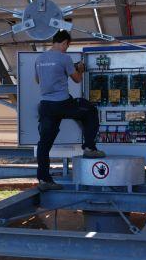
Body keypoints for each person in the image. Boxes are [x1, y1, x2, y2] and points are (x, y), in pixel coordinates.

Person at [35, 30, 105, 191]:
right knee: (90, 111)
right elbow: (77, 79)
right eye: (67, 45)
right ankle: (89, 147)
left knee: (44, 145)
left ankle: (44, 180)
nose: (66, 48)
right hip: (63, 103)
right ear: (65, 42)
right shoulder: (64, 58)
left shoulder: (39, 59)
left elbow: (38, 79)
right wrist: (79, 68)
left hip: (46, 105)